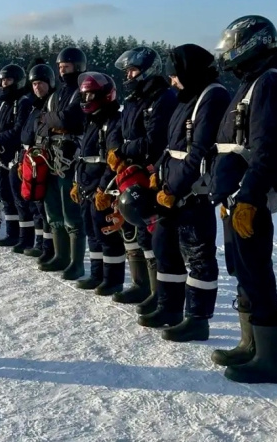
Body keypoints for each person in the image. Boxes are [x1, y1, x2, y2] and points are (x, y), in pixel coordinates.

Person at [207, 15, 277, 384]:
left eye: (233, 46)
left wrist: (249, 197)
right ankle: (251, 345)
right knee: (243, 270)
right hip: (237, 194)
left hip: (251, 195)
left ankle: (271, 361)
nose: (228, 53)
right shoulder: (251, 83)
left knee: (257, 272)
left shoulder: (270, 83)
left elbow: (267, 149)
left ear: (251, 45)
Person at [136, 44, 231, 341]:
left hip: (193, 193)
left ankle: (198, 319)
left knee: (198, 256)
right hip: (171, 187)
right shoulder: (186, 97)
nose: (172, 81)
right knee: (164, 246)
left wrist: (173, 188)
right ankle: (169, 308)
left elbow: (198, 152)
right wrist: (157, 176)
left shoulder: (212, 96)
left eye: (175, 75)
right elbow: (172, 146)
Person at [108, 46, 177, 305]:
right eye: (127, 71)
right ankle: (142, 285)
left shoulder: (162, 98)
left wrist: (124, 150)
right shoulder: (133, 100)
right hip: (130, 172)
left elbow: (153, 141)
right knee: (133, 229)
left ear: (148, 71)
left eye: (133, 70)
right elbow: (120, 131)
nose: (128, 75)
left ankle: (158, 293)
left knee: (151, 233)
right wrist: (116, 151)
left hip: (152, 173)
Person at [35, 47, 88, 281]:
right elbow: (40, 124)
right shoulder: (54, 96)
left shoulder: (81, 91)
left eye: (65, 67)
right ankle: (61, 256)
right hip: (50, 157)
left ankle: (77, 263)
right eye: (59, 67)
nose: (61, 71)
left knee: (71, 212)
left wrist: (52, 120)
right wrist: (53, 122)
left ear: (77, 67)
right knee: (53, 210)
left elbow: (71, 119)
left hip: (71, 159)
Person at [71, 71, 125, 295]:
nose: (86, 100)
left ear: (105, 95)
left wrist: (104, 188)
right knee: (91, 232)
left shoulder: (113, 122)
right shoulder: (91, 122)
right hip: (87, 185)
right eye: (84, 96)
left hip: (103, 187)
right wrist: (77, 183)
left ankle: (113, 280)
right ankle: (97, 274)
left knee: (106, 234)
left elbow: (113, 161)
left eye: (90, 95)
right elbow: (83, 158)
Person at [0, 64, 34, 252]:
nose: (5, 83)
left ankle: (26, 238)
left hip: (16, 157)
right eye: (3, 80)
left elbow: (19, 129)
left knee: (20, 199)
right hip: (1, 157)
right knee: (5, 196)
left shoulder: (23, 102)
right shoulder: (2, 102)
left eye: (9, 80)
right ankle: (12, 234)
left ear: (18, 81)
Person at [21, 64, 58, 263]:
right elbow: (27, 134)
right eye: (34, 84)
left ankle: (50, 248)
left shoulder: (53, 104)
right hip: (34, 160)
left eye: (41, 83)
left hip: (48, 162)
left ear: (49, 83)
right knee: (36, 205)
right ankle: (39, 243)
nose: (37, 87)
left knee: (47, 208)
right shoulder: (35, 107)